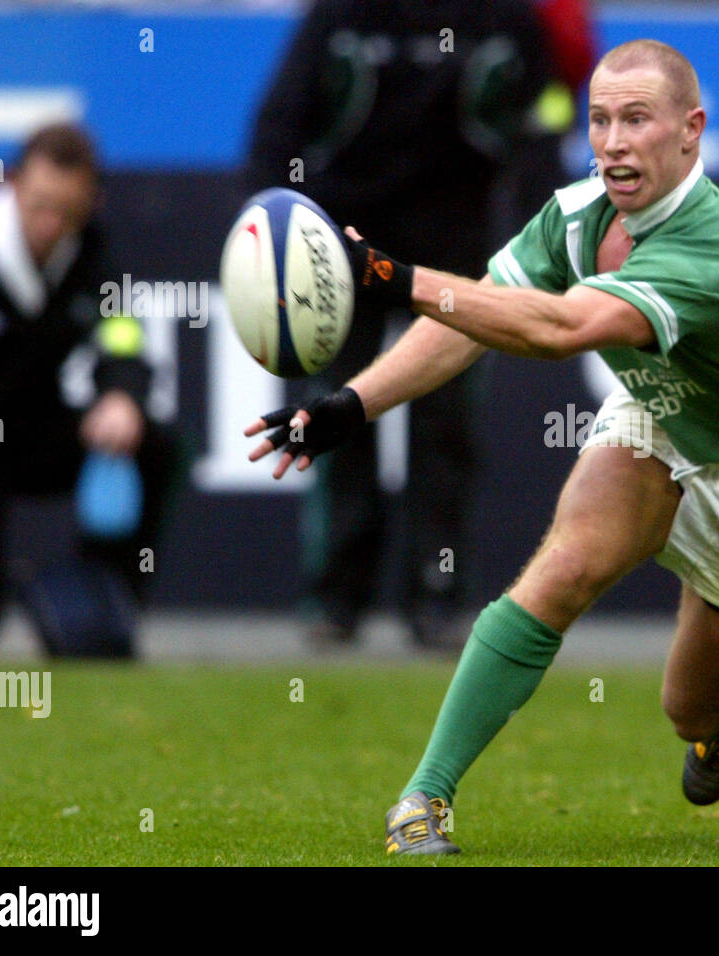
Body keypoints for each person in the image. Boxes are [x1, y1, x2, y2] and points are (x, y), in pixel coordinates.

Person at [247, 39, 719, 855]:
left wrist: (389, 274)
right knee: (564, 567)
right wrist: (354, 403)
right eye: (599, 120)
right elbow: (477, 317)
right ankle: (425, 799)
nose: (613, 141)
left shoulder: (716, 248)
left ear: (691, 130)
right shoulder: (576, 214)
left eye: (637, 119)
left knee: (690, 710)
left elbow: (564, 330)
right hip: (658, 417)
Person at [245, 0, 554, 650]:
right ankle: (335, 598)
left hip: (455, 255)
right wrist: (268, 237)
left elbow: (540, 130)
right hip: (339, 254)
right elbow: (279, 124)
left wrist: (543, 242)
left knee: (447, 429)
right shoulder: (340, 14)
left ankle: (436, 596)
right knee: (337, 416)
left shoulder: (506, 17)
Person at [0, 122, 176, 656]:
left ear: (90, 203)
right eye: (40, 205)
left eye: (68, 212)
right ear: (12, 187)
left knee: (154, 444)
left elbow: (123, 338)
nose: (52, 225)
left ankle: (101, 608)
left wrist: (121, 396)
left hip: (33, 432)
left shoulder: (92, 257)